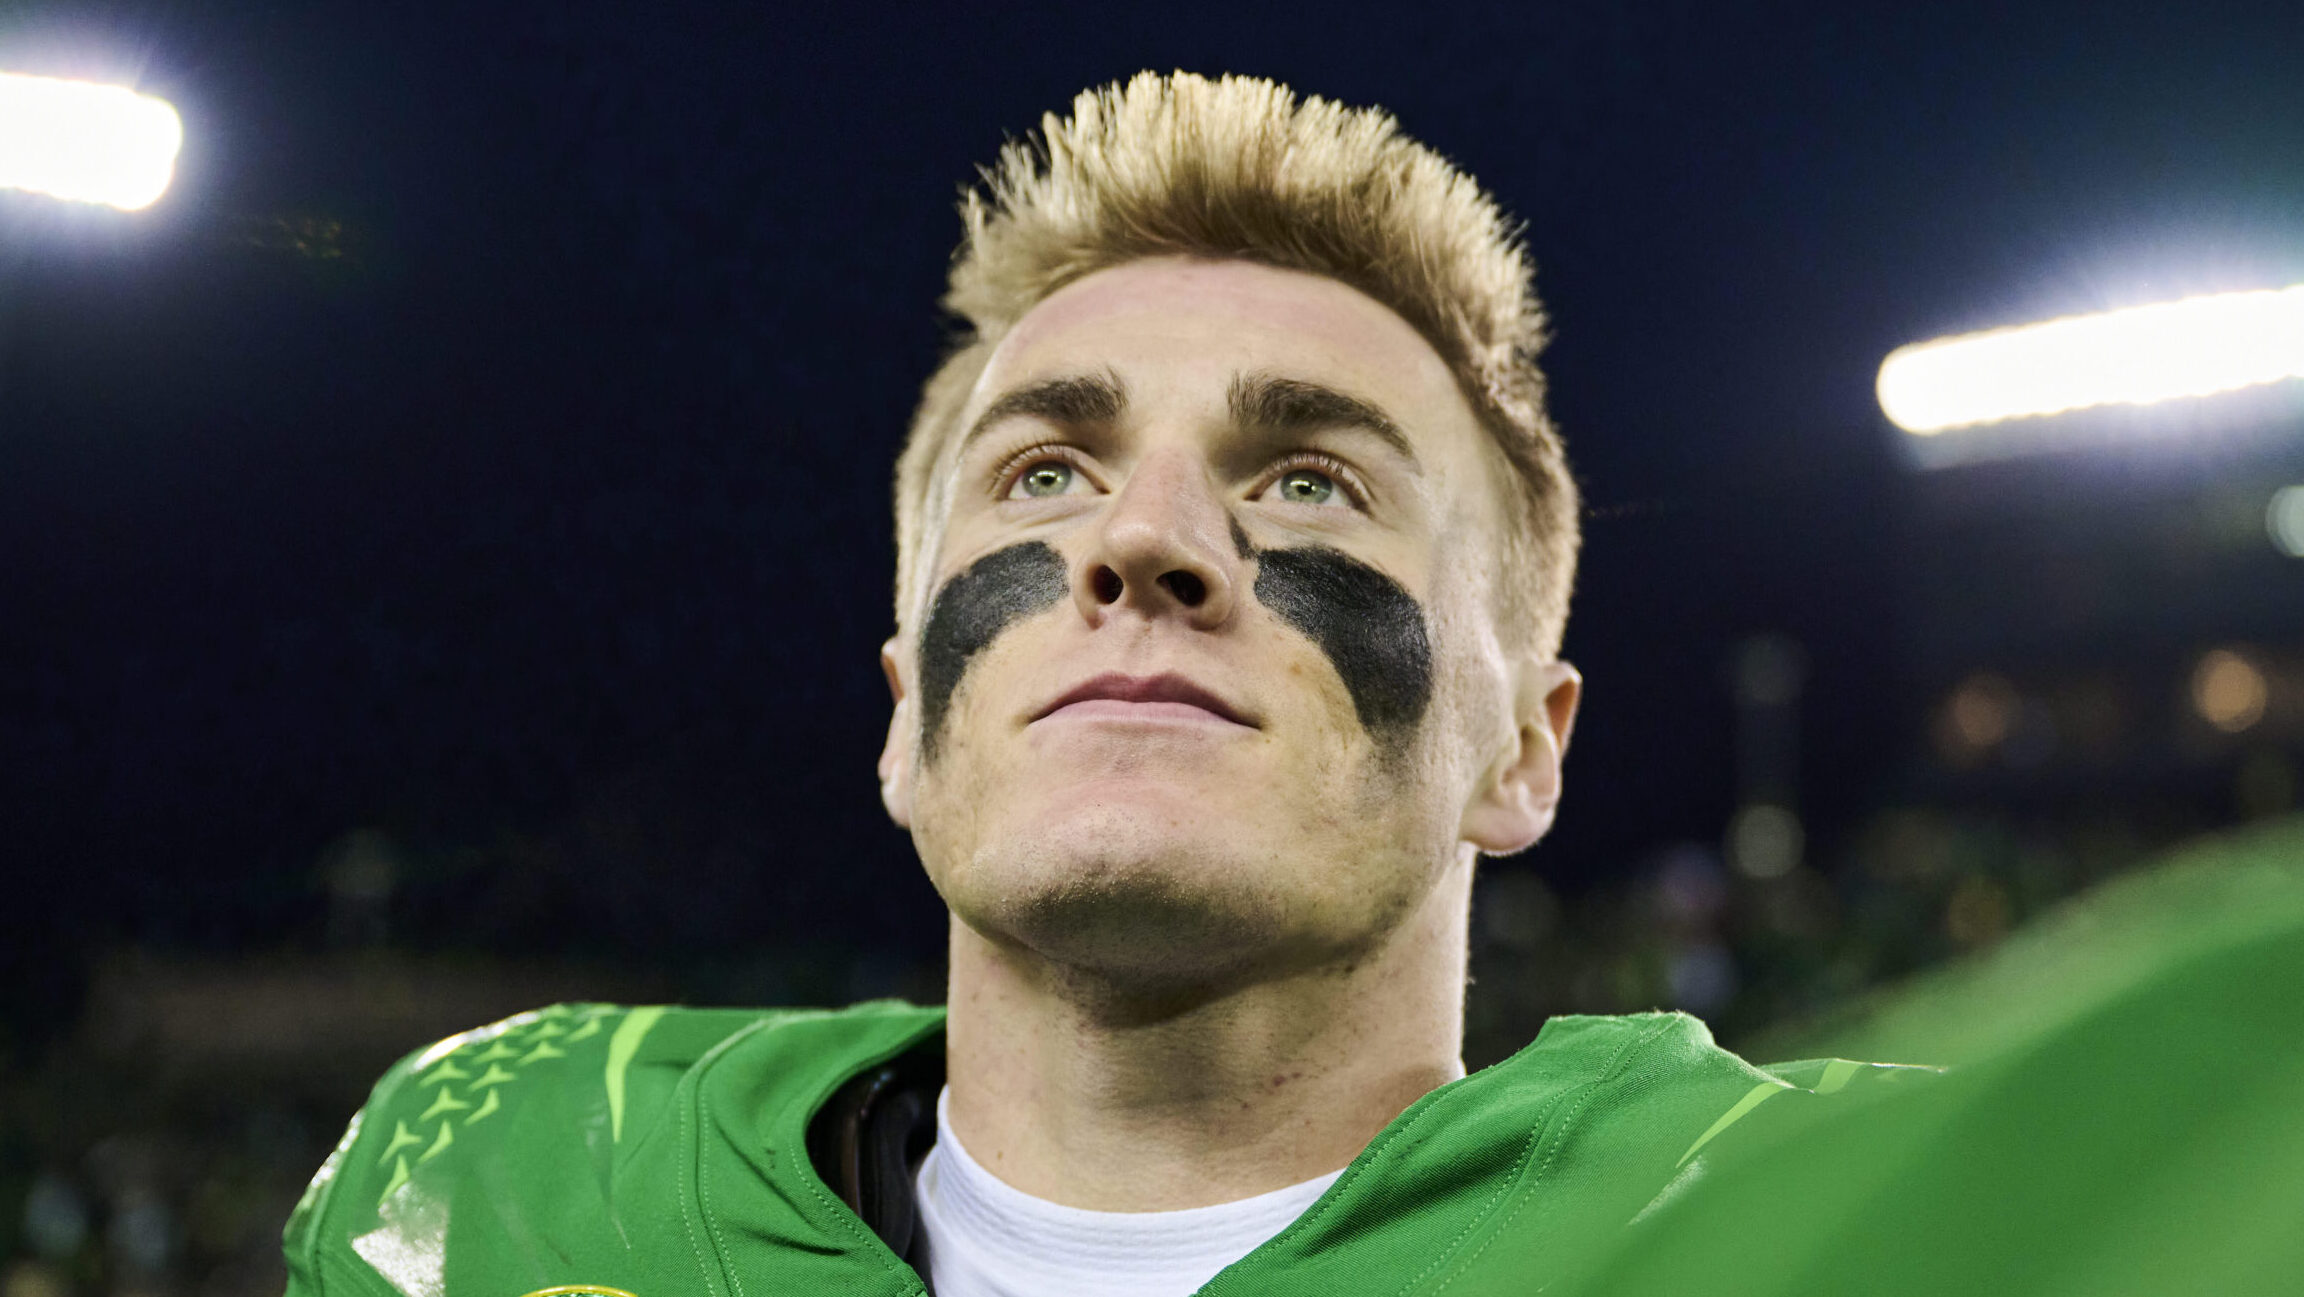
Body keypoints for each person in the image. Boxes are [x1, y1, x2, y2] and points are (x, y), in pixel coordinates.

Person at [282, 70, 1901, 1297]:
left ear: (1524, 752)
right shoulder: (487, 1182)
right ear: (909, 713)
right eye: (1046, 470)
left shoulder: (1860, 1221)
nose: (1142, 537)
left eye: (1313, 481)